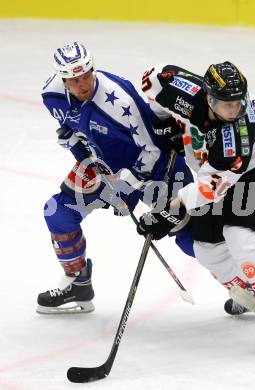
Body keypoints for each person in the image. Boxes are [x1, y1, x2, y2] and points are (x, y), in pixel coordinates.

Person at [136, 62, 255, 352]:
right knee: (207, 248)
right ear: (209, 97)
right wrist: (164, 123)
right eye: (226, 104)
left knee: (243, 239)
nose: (234, 109)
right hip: (216, 170)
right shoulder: (179, 88)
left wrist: (172, 210)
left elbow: (208, 189)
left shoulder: (239, 135)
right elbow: (152, 79)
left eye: (239, 101)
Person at [37, 42, 194, 314]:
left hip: (154, 169)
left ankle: (248, 287)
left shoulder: (119, 99)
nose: (82, 83)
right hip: (103, 166)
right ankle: (78, 283)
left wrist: (126, 184)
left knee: (195, 237)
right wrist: (72, 142)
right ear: (63, 80)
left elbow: (154, 148)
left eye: (86, 74)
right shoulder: (52, 95)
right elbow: (75, 131)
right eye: (74, 80)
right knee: (58, 212)